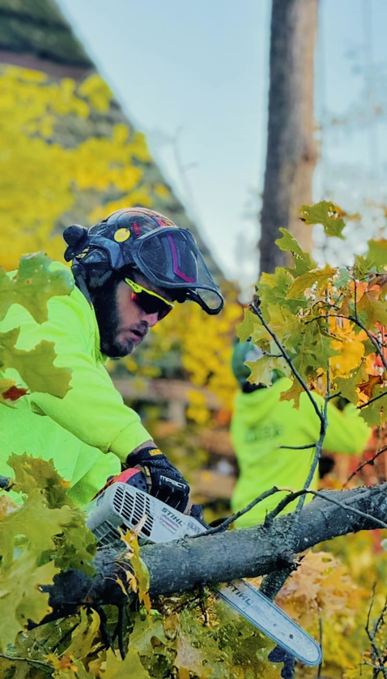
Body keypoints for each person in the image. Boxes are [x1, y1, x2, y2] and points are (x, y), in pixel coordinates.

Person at [0, 207, 224, 512]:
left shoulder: (90, 404)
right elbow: (58, 368)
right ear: (101, 273)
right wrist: (145, 451)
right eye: (146, 300)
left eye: (163, 311)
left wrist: (167, 513)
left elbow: (97, 491)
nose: (152, 320)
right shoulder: (38, 293)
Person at [229, 340, 371, 527]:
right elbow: (354, 439)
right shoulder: (301, 402)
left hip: (244, 516)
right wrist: (355, 400)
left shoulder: (239, 415)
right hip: (286, 516)